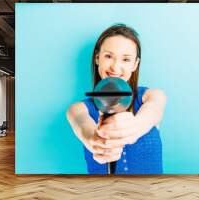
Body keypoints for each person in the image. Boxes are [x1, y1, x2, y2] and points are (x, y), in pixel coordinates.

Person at [66, 24, 166, 174]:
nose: (116, 67)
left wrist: (133, 128)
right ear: (97, 58)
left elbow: (154, 110)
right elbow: (84, 127)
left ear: (135, 64)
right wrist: (97, 142)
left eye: (126, 59)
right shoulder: (78, 109)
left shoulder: (152, 96)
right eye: (108, 56)